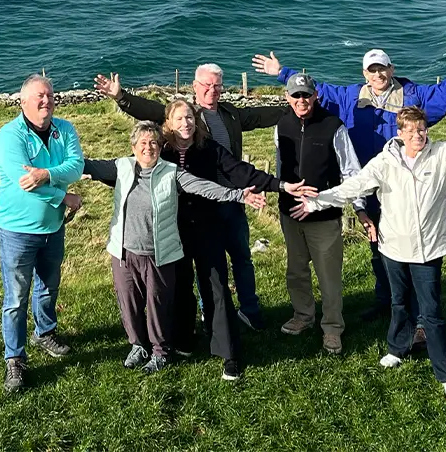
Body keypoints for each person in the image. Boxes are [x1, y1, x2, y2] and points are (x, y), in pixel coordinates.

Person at [302, 90, 446, 404]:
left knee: (432, 313)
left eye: (422, 129)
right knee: (399, 303)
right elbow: (353, 187)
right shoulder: (385, 162)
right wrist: (316, 202)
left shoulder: (442, 155)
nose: (417, 135)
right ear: (400, 133)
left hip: (428, 251)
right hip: (393, 248)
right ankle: (397, 348)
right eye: (410, 130)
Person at [252, 36, 446, 319]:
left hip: (405, 186)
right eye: (372, 70)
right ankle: (388, 302)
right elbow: (314, 91)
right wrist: (282, 72)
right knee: (378, 244)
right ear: (364, 74)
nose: (378, 74)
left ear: (391, 69)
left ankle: (420, 312)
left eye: (382, 68)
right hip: (370, 185)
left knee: (412, 245)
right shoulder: (351, 98)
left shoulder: (412, 96)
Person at [94, 64, 282, 330]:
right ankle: (206, 316)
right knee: (202, 266)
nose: (212, 90)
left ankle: (250, 312)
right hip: (194, 207)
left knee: (241, 258)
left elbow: (260, 116)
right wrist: (121, 97)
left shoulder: (230, 114)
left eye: (217, 85)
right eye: (206, 85)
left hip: (232, 200)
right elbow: (148, 110)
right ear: (195, 86)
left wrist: (293, 107)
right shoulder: (184, 115)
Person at [83, 121, 267, 375]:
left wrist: (237, 195)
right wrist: (50, 170)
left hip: (157, 253)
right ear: (133, 147)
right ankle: (138, 345)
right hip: (124, 252)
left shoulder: (171, 173)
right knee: (129, 303)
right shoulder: (121, 167)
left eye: (154, 143)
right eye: (143, 143)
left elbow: (203, 187)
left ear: (161, 147)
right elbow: (86, 165)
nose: (148, 148)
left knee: (157, 304)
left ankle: (160, 351)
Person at [157, 97, 317, 381]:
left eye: (190, 117)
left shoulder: (208, 148)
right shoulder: (162, 150)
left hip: (207, 226)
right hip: (173, 228)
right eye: (179, 118)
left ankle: (229, 353)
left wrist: (281, 185)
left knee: (216, 287)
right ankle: (184, 339)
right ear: (168, 123)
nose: (186, 123)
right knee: (179, 285)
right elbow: (134, 169)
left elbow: (240, 171)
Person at [0, 74, 85, 394]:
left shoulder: (65, 129)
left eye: (50, 95)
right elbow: (24, 183)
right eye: (39, 96)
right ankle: (14, 358)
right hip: (18, 231)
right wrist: (63, 196)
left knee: (48, 286)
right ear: (23, 102)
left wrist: (46, 173)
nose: (47, 101)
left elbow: (76, 167)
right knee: (16, 298)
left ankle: (44, 332)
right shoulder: (9, 136)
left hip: (53, 228)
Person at [274, 73, 370, 355]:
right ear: (287, 98)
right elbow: (280, 165)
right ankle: (303, 315)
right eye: (296, 95)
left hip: (324, 216)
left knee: (329, 276)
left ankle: (332, 327)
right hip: (290, 213)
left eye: (306, 94)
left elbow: (351, 171)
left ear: (315, 96)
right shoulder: (281, 124)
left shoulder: (333, 126)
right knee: (296, 271)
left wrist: (360, 208)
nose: (301, 100)